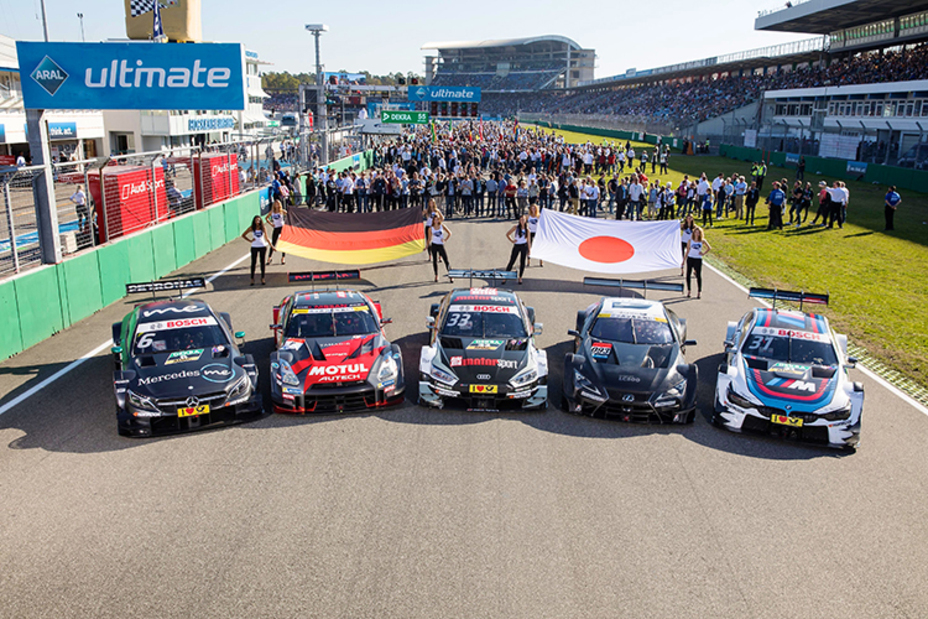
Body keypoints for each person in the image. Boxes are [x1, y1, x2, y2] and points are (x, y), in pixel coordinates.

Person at [242, 215, 276, 286]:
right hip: (254, 246)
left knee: (262, 262)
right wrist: (250, 240)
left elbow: (266, 238)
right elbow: (243, 235)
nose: (257, 221)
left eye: (259, 220)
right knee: (253, 263)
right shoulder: (252, 228)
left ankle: (262, 278)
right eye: (256, 220)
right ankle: (252, 278)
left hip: (262, 246)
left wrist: (272, 246)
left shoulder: (263, 228)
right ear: (254, 221)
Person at [683, 226, 711, 299]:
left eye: (698, 233)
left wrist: (703, 253)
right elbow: (688, 250)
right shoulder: (690, 240)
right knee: (688, 274)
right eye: (696, 232)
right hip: (690, 258)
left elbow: (709, 248)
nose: (697, 234)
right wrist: (683, 260)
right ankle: (689, 290)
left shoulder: (702, 241)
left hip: (698, 259)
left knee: (698, 275)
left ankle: (699, 292)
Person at [505, 215, 531, 285]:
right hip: (517, 245)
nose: (522, 221)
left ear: (526, 221)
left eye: (524, 219)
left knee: (522, 262)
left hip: (524, 246)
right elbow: (507, 234)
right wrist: (512, 241)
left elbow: (528, 241)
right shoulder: (516, 227)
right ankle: (505, 276)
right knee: (512, 261)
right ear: (519, 220)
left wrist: (529, 250)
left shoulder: (527, 230)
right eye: (521, 219)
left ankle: (520, 277)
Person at [427, 212, 453, 283]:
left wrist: (445, 240)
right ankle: (436, 275)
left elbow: (449, 233)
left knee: (446, 260)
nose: (436, 221)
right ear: (433, 221)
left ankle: (451, 275)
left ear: (439, 220)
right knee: (435, 260)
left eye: (437, 219)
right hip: (434, 245)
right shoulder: (431, 228)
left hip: (441, 245)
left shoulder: (442, 226)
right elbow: (429, 238)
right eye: (435, 220)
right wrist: (427, 246)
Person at [265, 200, 287, 265]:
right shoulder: (272, 212)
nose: (277, 205)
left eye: (278, 204)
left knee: (283, 242)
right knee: (273, 243)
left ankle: (283, 258)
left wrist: (286, 223)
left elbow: (289, 214)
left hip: (282, 227)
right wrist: (271, 224)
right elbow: (266, 218)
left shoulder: (282, 211)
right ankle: (269, 258)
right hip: (276, 227)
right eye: (275, 204)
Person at [527, 203, 543, 267]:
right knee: (529, 246)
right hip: (530, 232)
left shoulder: (539, 216)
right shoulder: (528, 216)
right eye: (532, 208)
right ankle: (528, 261)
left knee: (539, 246)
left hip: (537, 232)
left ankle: (541, 261)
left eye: (534, 208)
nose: (533, 209)